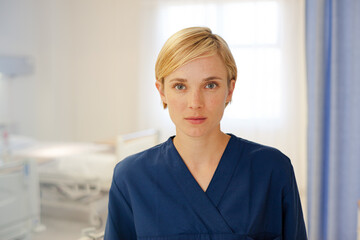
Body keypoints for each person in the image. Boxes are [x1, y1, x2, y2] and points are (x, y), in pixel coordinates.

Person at [104, 27, 307, 240]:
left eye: (210, 85)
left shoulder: (272, 169)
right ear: (162, 91)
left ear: (229, 90)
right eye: (180, 86)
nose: (195, 103)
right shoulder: (131, 177)